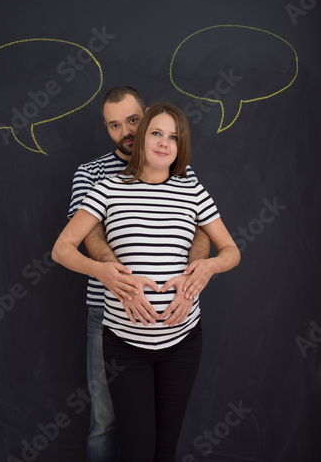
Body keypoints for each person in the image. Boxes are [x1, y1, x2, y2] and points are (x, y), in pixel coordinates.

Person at [53, 102, 241, 461]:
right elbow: (62, 249)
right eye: (156, 132)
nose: (163, 142)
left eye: (173, 136)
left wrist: (209, 267)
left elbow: (231, 250)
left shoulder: (192, 190)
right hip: (125, 345)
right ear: (142, 137)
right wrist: (102, 270)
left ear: (180, 146)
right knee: (137, 449)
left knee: (166, 448)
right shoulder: (107, 187)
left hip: (183, 340)